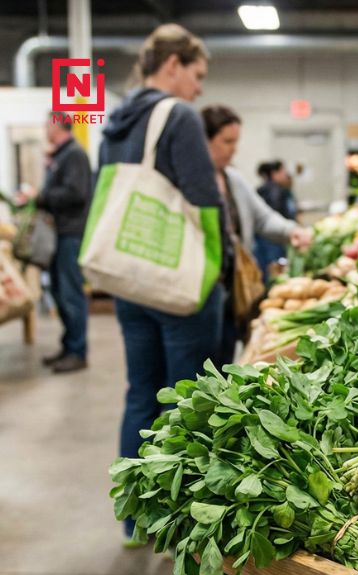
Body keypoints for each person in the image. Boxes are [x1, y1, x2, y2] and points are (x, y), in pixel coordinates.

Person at [98, 24, 226, 539]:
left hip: (129, 281)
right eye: (196, 75)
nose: (198, 89)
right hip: (178, 286)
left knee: (141, 394)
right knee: (188, 402)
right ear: (172, 64)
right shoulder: (178, 116)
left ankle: (134, 519)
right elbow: (205, 199)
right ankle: (181, 524)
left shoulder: (115, 119)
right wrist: (214, 271)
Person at [201, 106, 312, 365]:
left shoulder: (233, 180)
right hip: (200, 294)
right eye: (227, 141)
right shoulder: (190, 180)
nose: (233, 149)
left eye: (236, 141)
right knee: (196, 367)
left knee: (225, 361)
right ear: (205, 140)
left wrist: (291, 231)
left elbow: (262, 217)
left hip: (232, 289)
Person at [16, 115, 91, 373]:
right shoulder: (61, 155)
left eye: (47, 125)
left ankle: (78, 351)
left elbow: (76, 193)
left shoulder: (74, 155)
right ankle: (69, 346)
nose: (45, 129)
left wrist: (40, 197)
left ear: (57, 126)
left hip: (70, 234)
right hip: (59, 233)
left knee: (70, 293)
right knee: (60, 292)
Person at [254, 160, 297, 278]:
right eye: (283, 171)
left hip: (265, 239)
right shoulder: (274, 191)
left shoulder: (263, 189)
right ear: (274, 173)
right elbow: (275, 213)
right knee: (272, 270)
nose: (285, 174)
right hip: (272, 239)